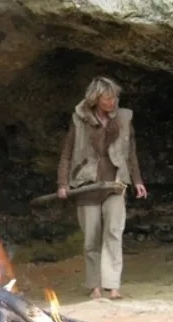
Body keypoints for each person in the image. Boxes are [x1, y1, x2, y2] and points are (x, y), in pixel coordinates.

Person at [56, 76, 148, 300]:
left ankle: (113, 285)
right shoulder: (79, 120)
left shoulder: (124, 118)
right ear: (96, 99)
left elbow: (131, 153)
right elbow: (67, 154)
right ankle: (95, 286)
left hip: (116, 184)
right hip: (87, 186)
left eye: (115, 97)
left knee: (114, 233)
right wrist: (62, 183)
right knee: (91, 238)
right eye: (108, 98)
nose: (113, 102)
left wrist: (137, 181)